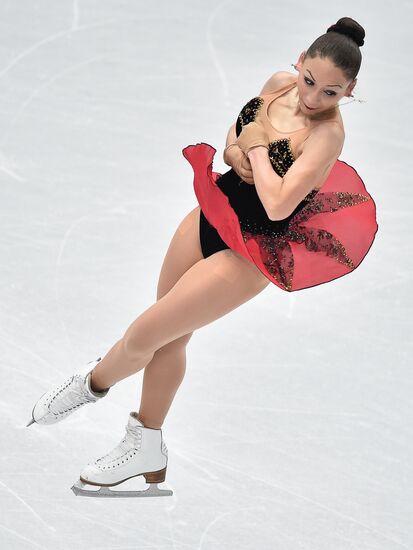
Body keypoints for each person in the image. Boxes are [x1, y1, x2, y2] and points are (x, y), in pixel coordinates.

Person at [26, 16, 378, 497]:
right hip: (213, 213)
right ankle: (147, 445)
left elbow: (277, 203)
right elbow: (234, 138)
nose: (314, 98)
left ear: (350, 90)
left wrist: (254, 147)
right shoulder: (278, 85)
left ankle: (92, 383)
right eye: (310, 81)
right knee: (168, 338)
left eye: (331, 93)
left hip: (252, 248)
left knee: (144, 333)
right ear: (299, 62)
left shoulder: (328, 136)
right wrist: (239, 152)